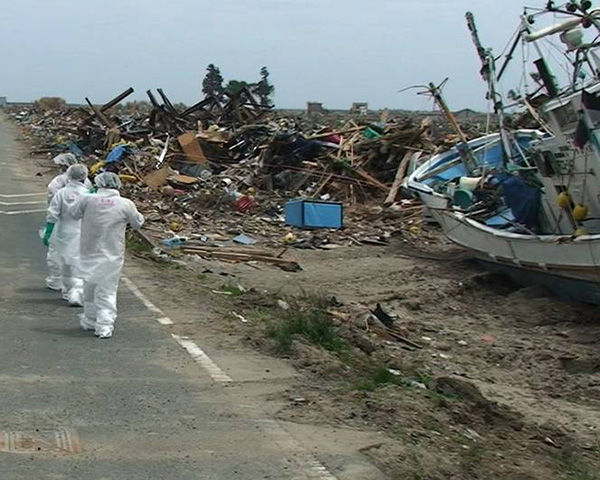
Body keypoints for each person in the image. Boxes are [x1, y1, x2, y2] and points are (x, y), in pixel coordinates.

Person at [73, 172, 144, 339]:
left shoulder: (87, 199)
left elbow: (74, 214)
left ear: (98, 183)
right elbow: (138, 223)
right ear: (117, 184)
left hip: (88, 251)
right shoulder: (125, 204)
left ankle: (90, 320)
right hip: (112, 254)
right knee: (107, 290)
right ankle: (104, 326)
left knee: (89, 287)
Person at [43, 164, 90, 306]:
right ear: (85, 177)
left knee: (65, 263)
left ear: (69, 175)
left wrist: (48, 232)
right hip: (83, 232)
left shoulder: (61, 193)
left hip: (63, 231)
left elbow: (52, 214)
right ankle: (77, 292)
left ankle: (67, 291)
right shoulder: (88, 195)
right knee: (80, 263)